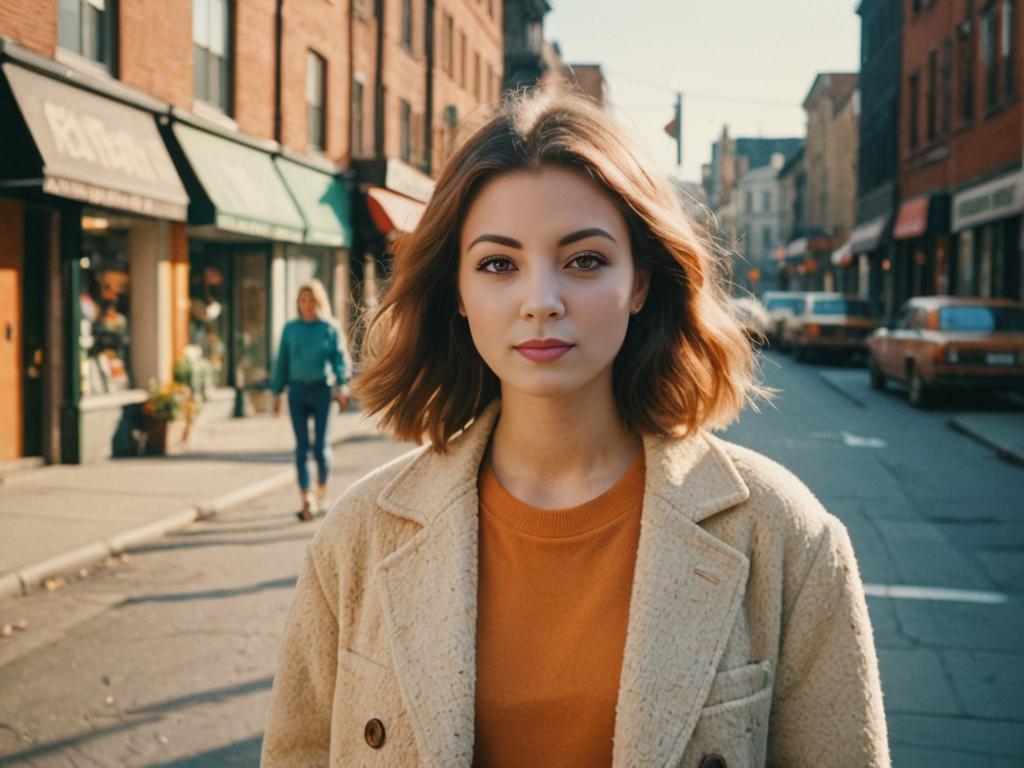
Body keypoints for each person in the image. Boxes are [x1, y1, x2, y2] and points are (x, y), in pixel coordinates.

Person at [261, 92, 890, 767]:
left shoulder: (787, 539)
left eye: (584, 260)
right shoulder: (357, 537)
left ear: (641, 281)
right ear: (459, 294)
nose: (542, 302)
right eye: (498, 264)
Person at [270, 279, 352, 522]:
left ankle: (322, 493)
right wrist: (276, 392)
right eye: (303, 301)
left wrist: (342, 387)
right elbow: (281, 361)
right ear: (298, 303)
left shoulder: (330, 328)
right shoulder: (291, 329)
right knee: (301, 450)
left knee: (321, 450)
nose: (307, 305)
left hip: (322, 392)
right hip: (297, 392)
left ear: (320, 302)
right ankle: (306, 498)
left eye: (312, 300)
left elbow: (339, 360)